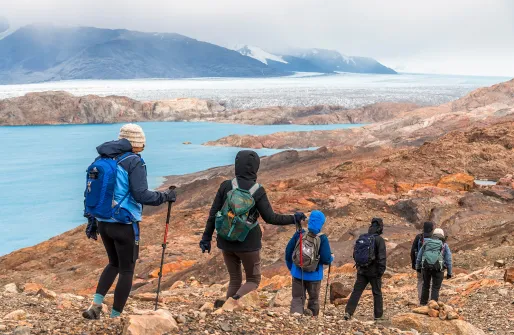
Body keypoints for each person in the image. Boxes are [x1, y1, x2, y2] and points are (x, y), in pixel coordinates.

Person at [82, 124, 176, 319]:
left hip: (103, 222)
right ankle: (115, 318)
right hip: (124, 223)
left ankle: (95, 307)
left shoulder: (103, 158)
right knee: (126, 270)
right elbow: (142, 195)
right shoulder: (134, 162)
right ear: (137, 143)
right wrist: (166, 196)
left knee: (113, 264)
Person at [199, 150, 304, 306]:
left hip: (225, 242)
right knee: (253, 280)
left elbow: (213, 214)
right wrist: (293, 218)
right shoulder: (257, 190)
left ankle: (225, 309)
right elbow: (271, 218)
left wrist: (206, 238)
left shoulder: (226, 186)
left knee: (235, 279)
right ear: (255, 167)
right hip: (248, 244)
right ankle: (234, 301)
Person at [285, 210, 333, 316]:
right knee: (314, 299)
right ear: (321, 223)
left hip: (298, 273)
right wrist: (331, 259)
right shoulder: (322, 238)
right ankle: (312, 319)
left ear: (310, 220)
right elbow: (326, 259)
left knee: (297, 298)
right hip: (314, 276)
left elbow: (288, 251)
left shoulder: (300, 233)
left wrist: (290, 267)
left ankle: (296, 318)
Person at [345, 218, 387, 321]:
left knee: (357, 291)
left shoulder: (363, 237)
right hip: (374, 272)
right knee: (377, 293)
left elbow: (356, 253)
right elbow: (382, 257)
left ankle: (348, 312)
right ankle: (378, 316)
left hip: (362, 270)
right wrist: (380, 272)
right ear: (380, 228)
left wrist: (359, 266)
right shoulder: (379, 240)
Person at [416, 228, 452, 305]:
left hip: (426, 267)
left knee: (425, 285)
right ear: (442, 235)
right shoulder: (444, 245)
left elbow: (419, 256)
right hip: (438, 269)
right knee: (435, 287)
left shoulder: (426, 243)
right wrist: (449, 272)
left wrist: (418, 267)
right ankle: (433, 305)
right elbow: (448, 259)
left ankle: (423, 303)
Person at [410, 221, 435, 302]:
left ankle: (421, 299)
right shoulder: (434, 238)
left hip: (420, 263)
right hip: (431, 263)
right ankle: (430, 300)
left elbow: (413, 251)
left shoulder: (419, 237)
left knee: (420, 280)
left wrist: (414, 264)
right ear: (432, 228)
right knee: (430, 281)